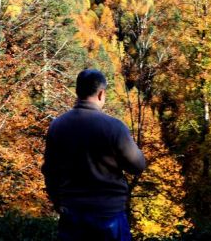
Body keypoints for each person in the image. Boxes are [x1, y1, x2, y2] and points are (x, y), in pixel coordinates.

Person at [41, 69, 146, 241]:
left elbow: (50, 171)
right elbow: (137, 166)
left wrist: (58, 202)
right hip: (109, 215)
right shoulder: (114, 127)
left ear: (77, 91)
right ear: (101, 93)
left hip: (72, 215)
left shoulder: (58, 126)